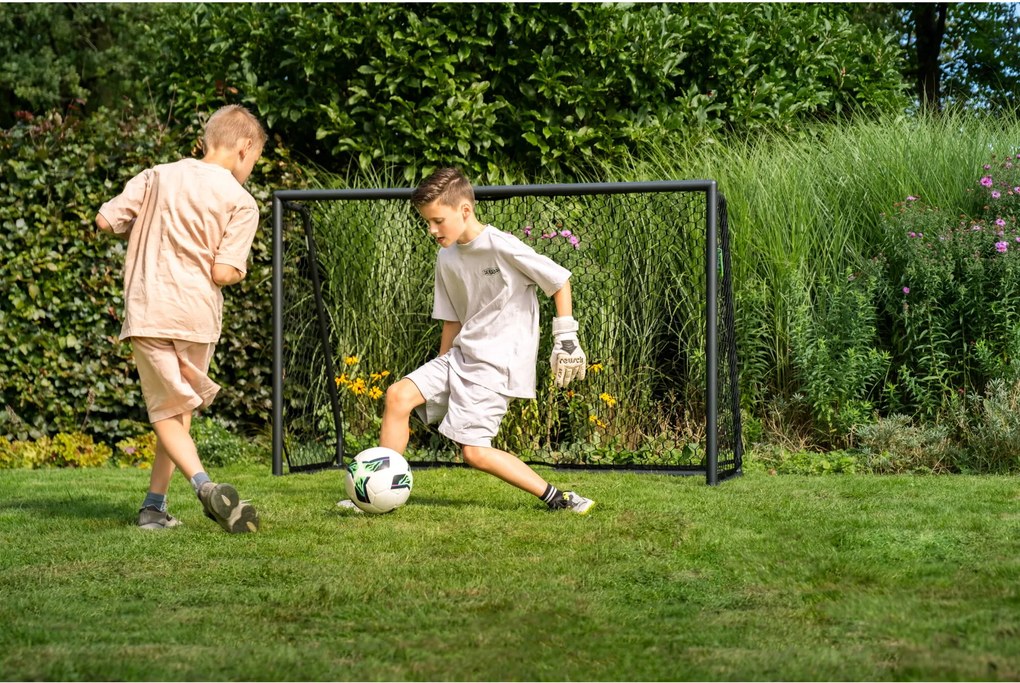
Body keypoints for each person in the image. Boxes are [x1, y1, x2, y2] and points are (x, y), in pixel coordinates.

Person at [378, 167, 594, 513]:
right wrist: (441, 367)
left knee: (474, 452)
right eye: (427, 223)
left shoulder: (502, 246)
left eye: (438, 221)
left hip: (498, 365)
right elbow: (453, 317)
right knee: (398, 396)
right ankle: (378, 493)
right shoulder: (446, 257)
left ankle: (560, 498)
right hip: (460, 356)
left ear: (465, 210)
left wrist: (566, 338)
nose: (432, 230)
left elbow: (558, 281)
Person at [95, 104, 266, 533]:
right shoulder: (241, 202)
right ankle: (181, 496)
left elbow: (105, 219)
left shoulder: (157, 175)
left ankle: (177, 498)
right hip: (196, 316)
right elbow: (223, 272)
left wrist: (139, 229)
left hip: (151, 308)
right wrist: (238, 269)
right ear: (245, 148)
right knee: (177, 412)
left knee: (169, 411)